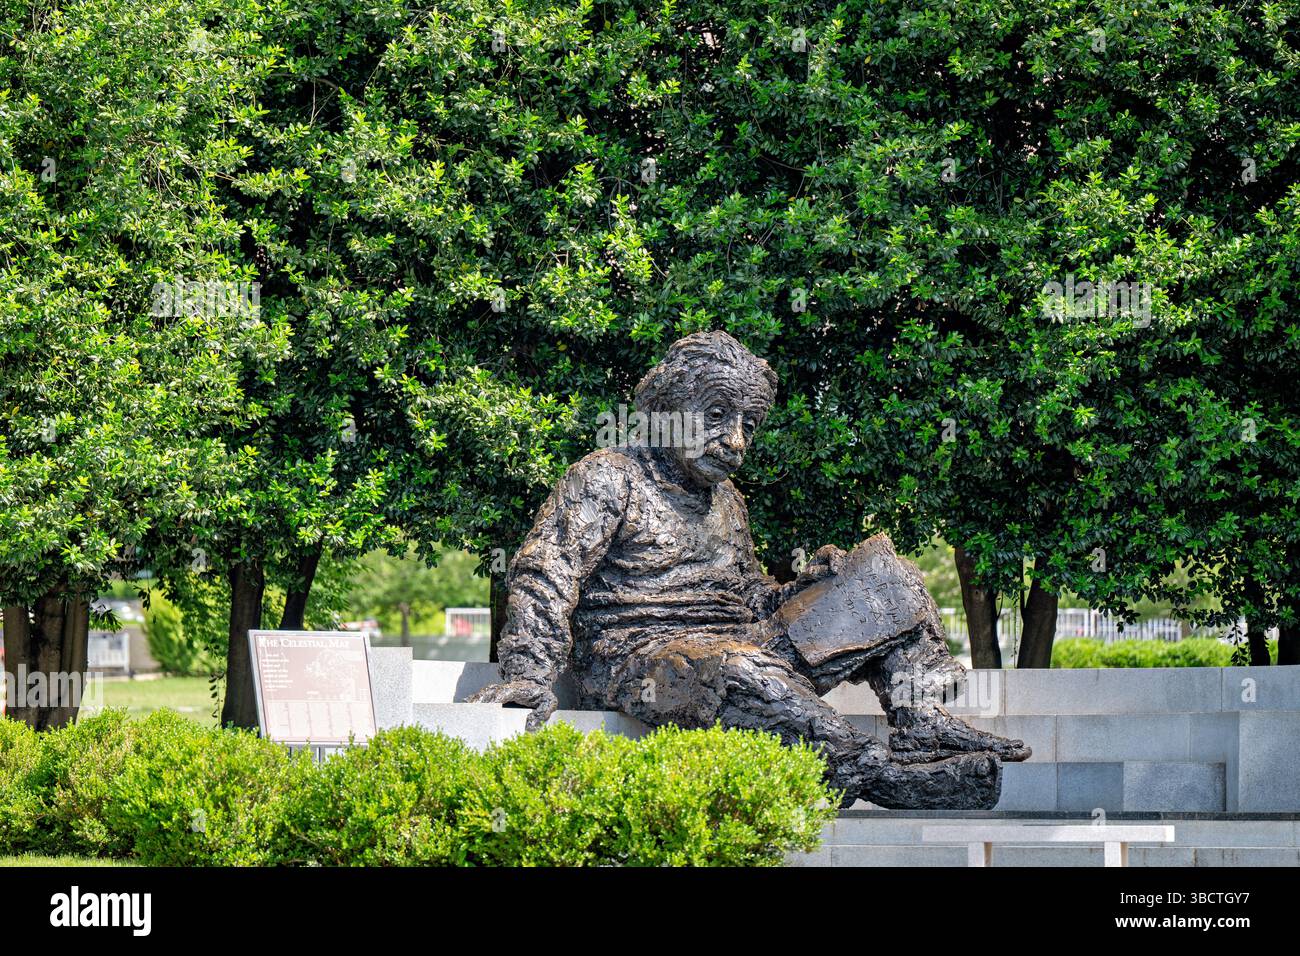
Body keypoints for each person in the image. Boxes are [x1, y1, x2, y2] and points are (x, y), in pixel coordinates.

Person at [470, 331, 1029, 808]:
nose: (736, 441)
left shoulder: (727, 500)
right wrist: (529, 673)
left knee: (883, 575)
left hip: (738, 644)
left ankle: (921, 720)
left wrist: (808, 589)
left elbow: (747, 596)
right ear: (668, 408)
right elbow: (546, 573)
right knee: (735, 667)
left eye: (749, 425)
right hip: (640, 662)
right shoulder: (608, 477)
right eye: (716, 415)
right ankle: (874, 774)